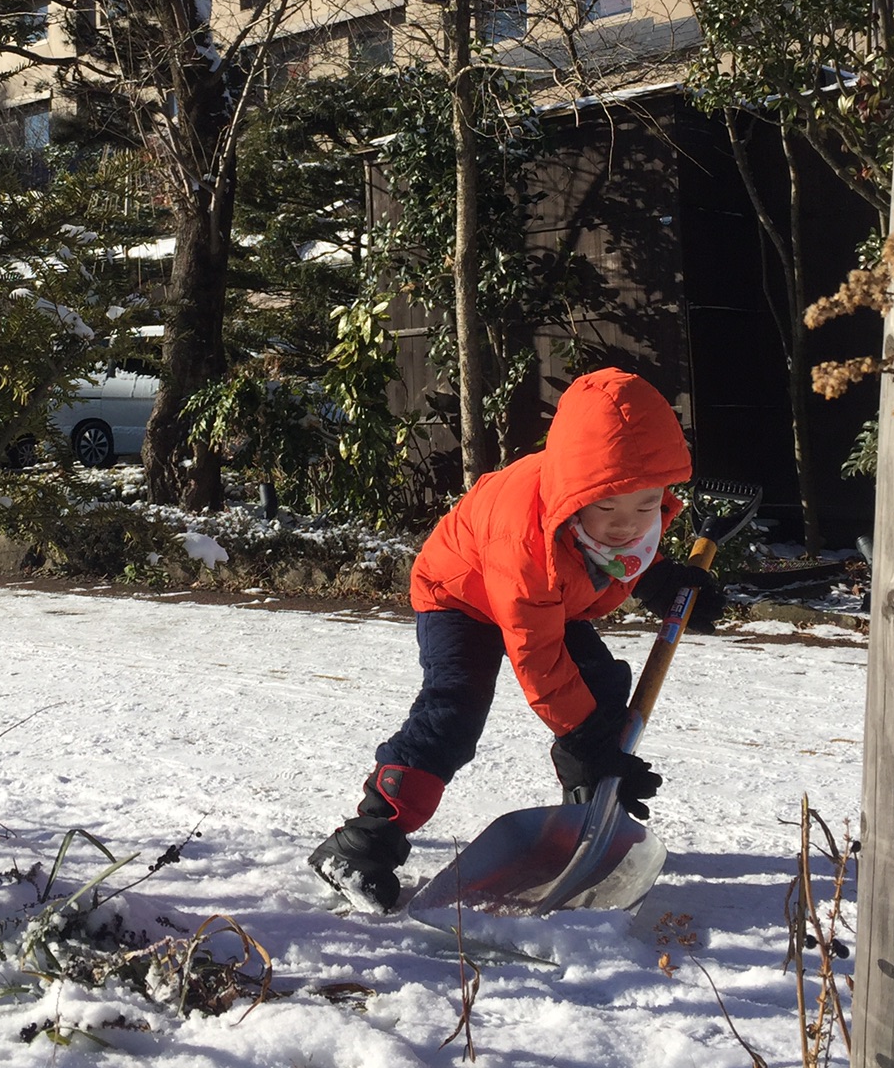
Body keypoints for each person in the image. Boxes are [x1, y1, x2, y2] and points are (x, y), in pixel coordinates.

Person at [309, 367, 722, 911]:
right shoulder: (524, 536)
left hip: (546, 600)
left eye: (646, 506)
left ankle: (586, 817)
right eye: (608, 508)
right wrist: (592, 741)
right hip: (462, 596)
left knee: (597, 693)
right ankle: (361, 842)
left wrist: (663, 578)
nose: (628, 525)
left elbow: (618, 555)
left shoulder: (623, 507)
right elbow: (538, 655)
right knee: (453, 712)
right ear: (575, 495)